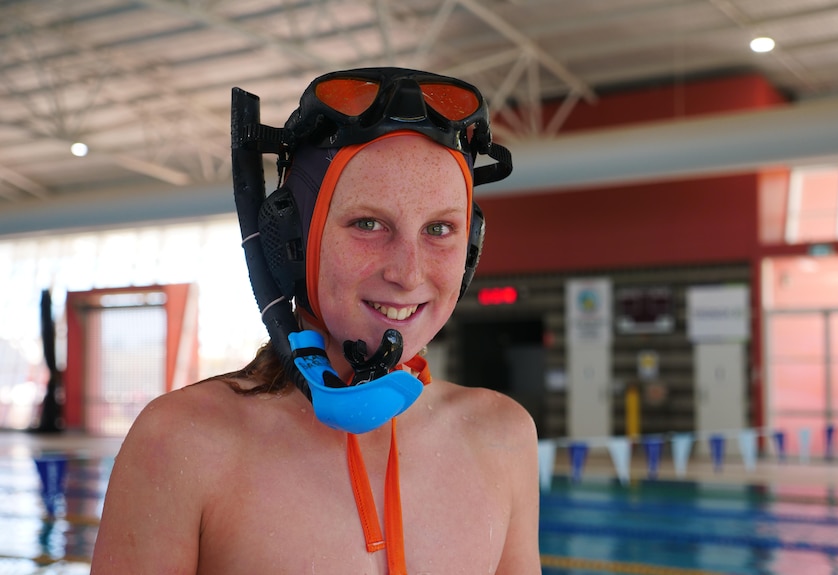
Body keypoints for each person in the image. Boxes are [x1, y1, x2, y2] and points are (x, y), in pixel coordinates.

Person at [91, 67, 540, 574]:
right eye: (368, 224)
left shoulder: (503, 436)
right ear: (292, 239)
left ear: (472, 245)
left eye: (440, 228)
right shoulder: (182, 443)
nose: (408, 272)